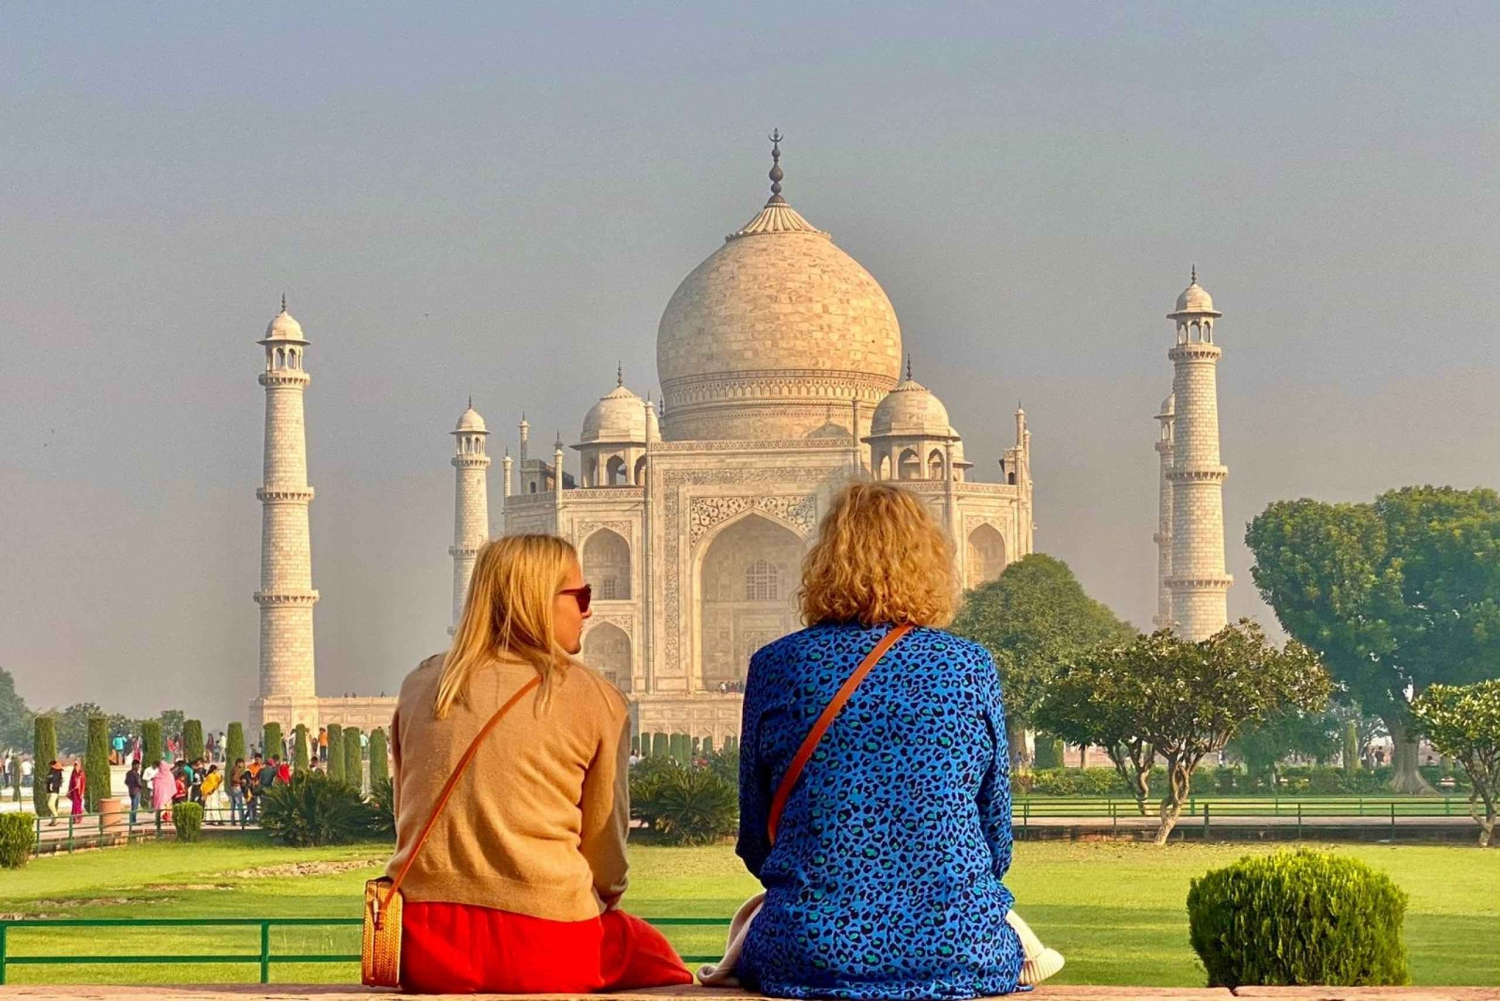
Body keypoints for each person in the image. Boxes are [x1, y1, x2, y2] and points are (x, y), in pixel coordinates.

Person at [733, 482, 1059, 1000]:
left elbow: (756, 840)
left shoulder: (777, 665)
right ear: (931, 563)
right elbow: (995, 840)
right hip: (959, 947)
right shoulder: (967, 666)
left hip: (809, 951)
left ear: (822, 562)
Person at [385, 534, 692, 994]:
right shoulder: (594, 697)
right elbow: (606, 855)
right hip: (546, 940)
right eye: (582, 596)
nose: (589, 611)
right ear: (537, 599)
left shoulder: (422, 684)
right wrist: (602, 899)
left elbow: (408, 816)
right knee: (662, 965)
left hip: (423, 943)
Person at [150, 758, 175, 822]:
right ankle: (158, 820)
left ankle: (166, 820)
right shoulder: (159, 776)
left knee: (166, 808)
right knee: (162, 807)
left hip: (166, 796)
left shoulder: (166, 775)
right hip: (161, 796)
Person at [228, 757, 247, 825]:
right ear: (238, 763)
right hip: (236, 787)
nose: (243, 765)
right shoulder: (238, 769)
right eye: (242, 763)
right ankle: (242, 821)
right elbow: (234, 779)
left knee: (233, 805)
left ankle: (232, 821)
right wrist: (241, 781)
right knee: (239, 805)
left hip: (232, 787)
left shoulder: (233, 769)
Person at [45, 760, 63, 824]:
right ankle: (53, 821)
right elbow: (48, 779)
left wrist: (49, 780)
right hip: (49, 790)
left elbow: (54, 779)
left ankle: (56, 816)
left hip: (54, 790)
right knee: (51, 806)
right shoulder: (51, 770)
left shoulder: (57, 771)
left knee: (50, 804)